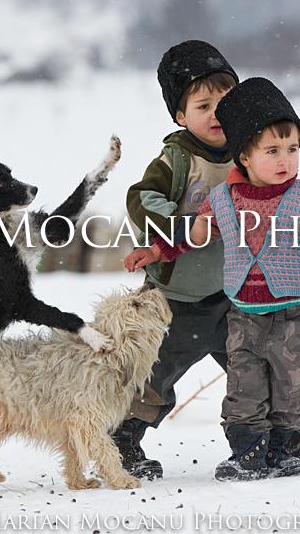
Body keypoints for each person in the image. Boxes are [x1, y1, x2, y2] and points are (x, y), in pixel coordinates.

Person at [125, 77, 300, 481]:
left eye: (292, 150)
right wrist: (155, 252)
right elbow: (196, 233)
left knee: (290, 380)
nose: (284, 160)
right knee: (245, 384)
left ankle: (287, 441)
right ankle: (250, 450)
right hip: (243, 309)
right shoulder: (223, 198)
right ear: (245, 157)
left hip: (296, 310)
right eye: (272, 151)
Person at [112, 40, 238, 479]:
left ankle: (274, 436)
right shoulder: (177, 159)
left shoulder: (255, 154)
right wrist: (186, 226)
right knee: (151, 376)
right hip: (174, 297)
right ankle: (121, 444)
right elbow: (140, 200)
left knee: (255, 370)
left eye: (226, 101)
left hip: (236, 294)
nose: (218, 112)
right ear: (181, 117)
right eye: (204, 105)